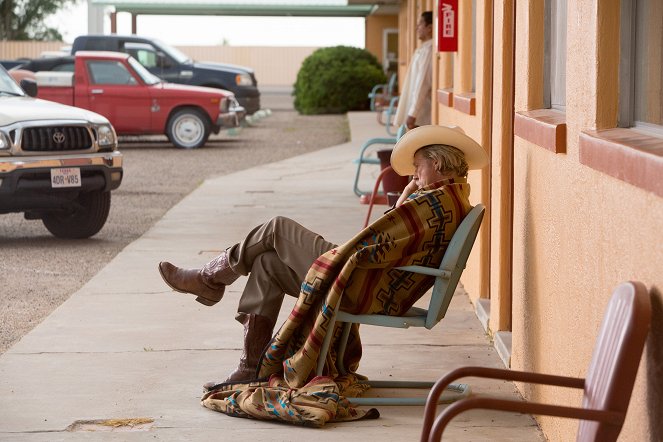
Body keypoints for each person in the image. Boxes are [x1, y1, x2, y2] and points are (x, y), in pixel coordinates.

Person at [158, 125, 488, 391]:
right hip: (370, 279)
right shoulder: (448, 199)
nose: (413, 174)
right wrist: (405, 194)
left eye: (418, 166)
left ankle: (209, 278)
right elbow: (389, 236)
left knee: (277, 228)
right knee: (268, 265)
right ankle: (250, 367)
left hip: (360, 281)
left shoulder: (433, 204)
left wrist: (403, 200)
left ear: (438, 164)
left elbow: (375, 235)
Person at [394, 11, 433, 130]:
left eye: (420, 24)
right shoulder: (422, 49)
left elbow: (422, 83)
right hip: (416, 111)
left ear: (430, 28)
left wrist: (413, 113)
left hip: (421, 115)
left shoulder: (429, 50)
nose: (417, 28)